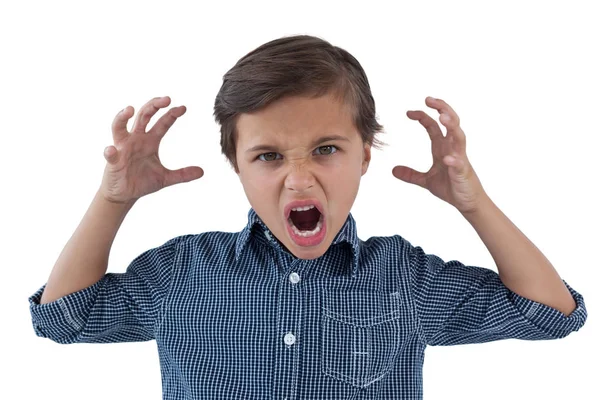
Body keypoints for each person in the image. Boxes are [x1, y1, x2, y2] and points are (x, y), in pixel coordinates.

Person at [28, 34, 587, 400]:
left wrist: (474, 203)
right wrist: (113, 200)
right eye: (268, 156)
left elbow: (551, 315)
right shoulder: (183, 272)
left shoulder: (404, 279)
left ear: (366, 154)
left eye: (326, 149)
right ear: (236, 166)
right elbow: (61, 321)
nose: (299, 179)